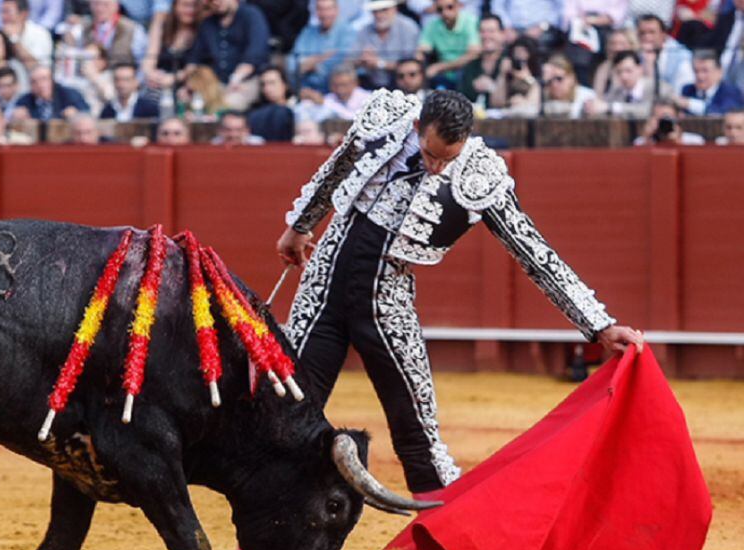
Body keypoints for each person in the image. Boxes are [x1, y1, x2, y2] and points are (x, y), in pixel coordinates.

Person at [274, 89, 643, 505]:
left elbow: (533, 251)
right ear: (417, 128)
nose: (437, 167)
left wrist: (599, 324)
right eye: (431, 154)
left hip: (385, 302)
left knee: (418, 435)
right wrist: (300, 225)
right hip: (324, 283)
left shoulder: (478, 174)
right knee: (288, 415)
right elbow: (339, 165)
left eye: (448, 158)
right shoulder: (387, 119)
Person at [184, 0, 271, 111]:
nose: (216, 2)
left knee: (226, 108)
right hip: (214, 84)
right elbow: (194, 59)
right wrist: (190, 84)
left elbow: (255, 54)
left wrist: (235, 79)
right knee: (186, 103)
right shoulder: (207, 24)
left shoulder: (251, 15)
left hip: (246, 82)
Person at [289, 0, 356, 94]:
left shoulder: (348, 32)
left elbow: (340, 64)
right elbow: (292, 63)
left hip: (336, 93)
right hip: (306, 92)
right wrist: (319, 59)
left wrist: (312, 64)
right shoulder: (308, 32)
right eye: (320, 9)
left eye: (328, 9)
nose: (324, 14)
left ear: (337, 10)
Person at [584, 50, 671, 118]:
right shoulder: (615, 92)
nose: (623, 76)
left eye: (628, 71)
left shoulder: (657, 87)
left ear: (640, 69)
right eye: (619, 72)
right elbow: (603, 107)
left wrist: (612, 107)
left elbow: (650, 110)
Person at [355, 0, 421, 90]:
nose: (379, 15)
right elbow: (352, 61)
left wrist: (379, 63)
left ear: (395, 9)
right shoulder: (364, 31)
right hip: (372, 84)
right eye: (375, 11)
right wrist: (363, 60)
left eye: (384, 10)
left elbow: (410, 65)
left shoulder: (408, 28)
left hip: (401, 85)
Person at [417, 0, 481, 89]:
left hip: (468, 73)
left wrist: (440, 67)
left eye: (450, 7)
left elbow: (473, 54)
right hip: (444, 76)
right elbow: (421, 51)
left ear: (458, 6)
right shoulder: (432, 25)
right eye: (440, 9)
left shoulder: (470, 21)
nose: (445, 12)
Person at [142, 0, 201, 91]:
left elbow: (194, 67)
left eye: (194, 6)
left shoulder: (202, 30)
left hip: (187, 85)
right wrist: (151, 74)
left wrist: (172, 79)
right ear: (175, 6)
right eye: (185, 5)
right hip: (159, 82)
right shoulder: (163, 27)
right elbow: (150, 58)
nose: (190, 10)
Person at [636, 13, 695, 95]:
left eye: (652, 32)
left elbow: (680, 92)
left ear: (663, 35)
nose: (647, 37)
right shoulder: (635, 54)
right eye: (642, 33)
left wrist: (650, 67)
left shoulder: (681, 56)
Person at [677, 50, 744, 115]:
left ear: (719, 72)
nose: (700, 76)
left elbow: (726, 114)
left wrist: (691, 104)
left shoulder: (731, 92)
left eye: (705, 71)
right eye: (696, 71)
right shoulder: (688, 90)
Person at [458, 13, 505, 106]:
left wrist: (492, 87)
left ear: (502, 34)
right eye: (483, 31)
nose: (486, 36)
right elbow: (462, 98)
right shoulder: (470, 65)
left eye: (491, 31)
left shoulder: (510, 62)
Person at [12, 64, 90, 119]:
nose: (40, 84)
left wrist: (77, 116)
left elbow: (87, 114)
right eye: (34, 82)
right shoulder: (25, 100)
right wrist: (17, 116)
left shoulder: (69, 95)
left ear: (52, 80)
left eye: (44, 79)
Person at [0, 0, 53, 70]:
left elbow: (36, 67)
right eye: (2, 12)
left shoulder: (40, 34)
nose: (3, 16)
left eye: (7, 12)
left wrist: (14, 39)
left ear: (23, 14)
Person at [248, 66, 295, 141]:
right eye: (263, 84)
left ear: (285, 85)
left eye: (272, 83)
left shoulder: (300, 108)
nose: (267, 89)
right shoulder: (255, 115)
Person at [541, 53, 595, 118]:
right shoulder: (543, 96)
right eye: (550, 80)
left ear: (571, 78)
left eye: (559, 78)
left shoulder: (587, 96)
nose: (554, 84)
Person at [633, 98, 706, 145]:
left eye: (667, 117)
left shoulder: (695, 141)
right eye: (659, 118)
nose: (663, 121)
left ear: (677, 119)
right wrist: (647, 138)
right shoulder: (641, 142)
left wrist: (677, 141)